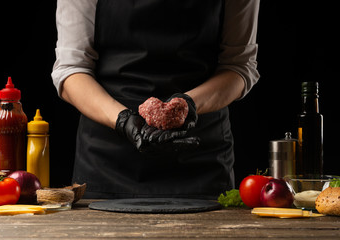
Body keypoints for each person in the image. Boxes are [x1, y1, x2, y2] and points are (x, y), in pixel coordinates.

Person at [52, 0, 260, 199]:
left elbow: (238, 66)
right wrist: (123, 120)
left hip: (198, 154)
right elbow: (72, 70)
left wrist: (188, 104)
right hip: (108, 158)